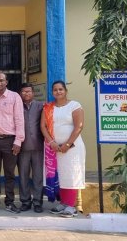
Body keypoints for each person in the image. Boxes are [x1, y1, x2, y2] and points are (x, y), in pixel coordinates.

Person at [41, 80, 85, 218]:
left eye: (61, 89)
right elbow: (43, 126)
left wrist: (67, 144)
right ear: (52, 92)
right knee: (60, 175)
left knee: (71, 174)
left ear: (65, 91)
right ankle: (64, 203)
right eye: (55, 90)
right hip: (54, 148)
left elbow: (79, 126)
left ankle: (71, 206)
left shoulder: (74, 105)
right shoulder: (48, 107)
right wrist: (52, 142)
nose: (58, 92)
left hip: (72, 148)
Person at [0, 72, 25, 213]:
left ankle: (9, 202)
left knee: (9, 174)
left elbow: (19, 119)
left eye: (1, 80)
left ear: (6, 82)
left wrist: (18, 141)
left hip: (10, 141)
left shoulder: (15, 97)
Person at [18, 83, 45, 213]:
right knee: (23, 176)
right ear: (20, 94)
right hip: (22, 147)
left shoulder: (41, 106)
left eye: (28, 91)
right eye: (23, 92)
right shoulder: (16, 106)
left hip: (38, 147)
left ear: (33, 93)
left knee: (38, 176)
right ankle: (25, 201)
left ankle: (38, 202)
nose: (26, 94)